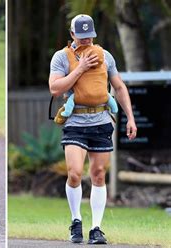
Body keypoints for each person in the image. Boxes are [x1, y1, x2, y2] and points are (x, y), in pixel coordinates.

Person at [49, 14, 137, 244]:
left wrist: (130, 118)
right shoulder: (61, 57)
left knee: (98, 174)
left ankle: (96, 228)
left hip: (101, 121)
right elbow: (54, 88)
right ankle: (76, 220)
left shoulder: (105, 56)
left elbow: (118, 86)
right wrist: (79, 69)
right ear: (72, 35)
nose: (87, 41)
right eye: (82, 36)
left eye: (90, 37)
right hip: (75, 123)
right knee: (75, 172)